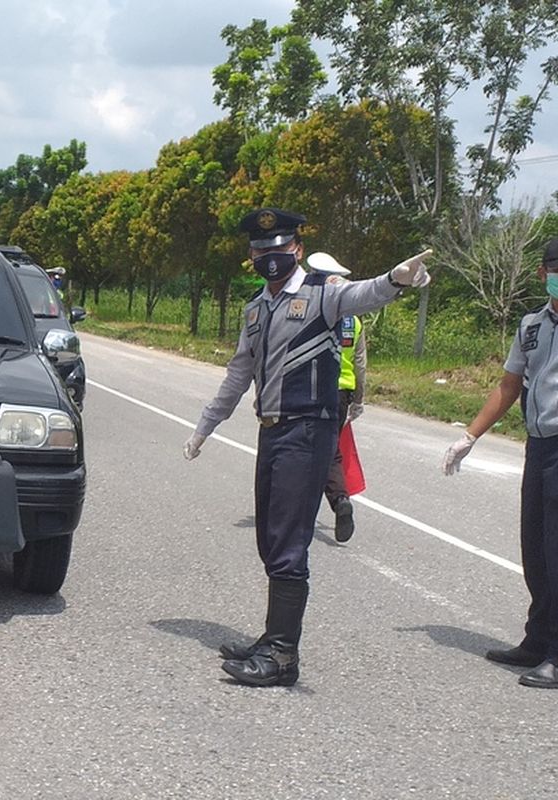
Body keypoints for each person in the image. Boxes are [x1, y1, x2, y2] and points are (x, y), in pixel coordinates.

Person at [182, 207, 431, 687]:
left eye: (277, 248)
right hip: (272, 429)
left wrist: (396, 279)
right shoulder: (256, 308)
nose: (268, 257)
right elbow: (239, 372)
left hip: (309, 429)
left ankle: (282, 656)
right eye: (259, 250)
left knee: (289, 540)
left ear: (296, 248)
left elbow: (365, 294)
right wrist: (205, 426)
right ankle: (272, 635)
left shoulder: (323, 295)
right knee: (270, 537)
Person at [442, 237, 558, 689]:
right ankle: (538, 639)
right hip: (540, 446)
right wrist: (469, 436)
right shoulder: (531, 326)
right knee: (536, 549)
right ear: (541, 272)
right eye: (554, 267)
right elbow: (509, 386)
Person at [307, 252, 368, 542]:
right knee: (331, 447)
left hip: (313, 388)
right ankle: (337, 501)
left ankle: (328, 502)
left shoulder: (313, 310)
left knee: (308, 446)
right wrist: (359, 399)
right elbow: (360, 364)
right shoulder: (353, 321)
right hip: (343, 391)